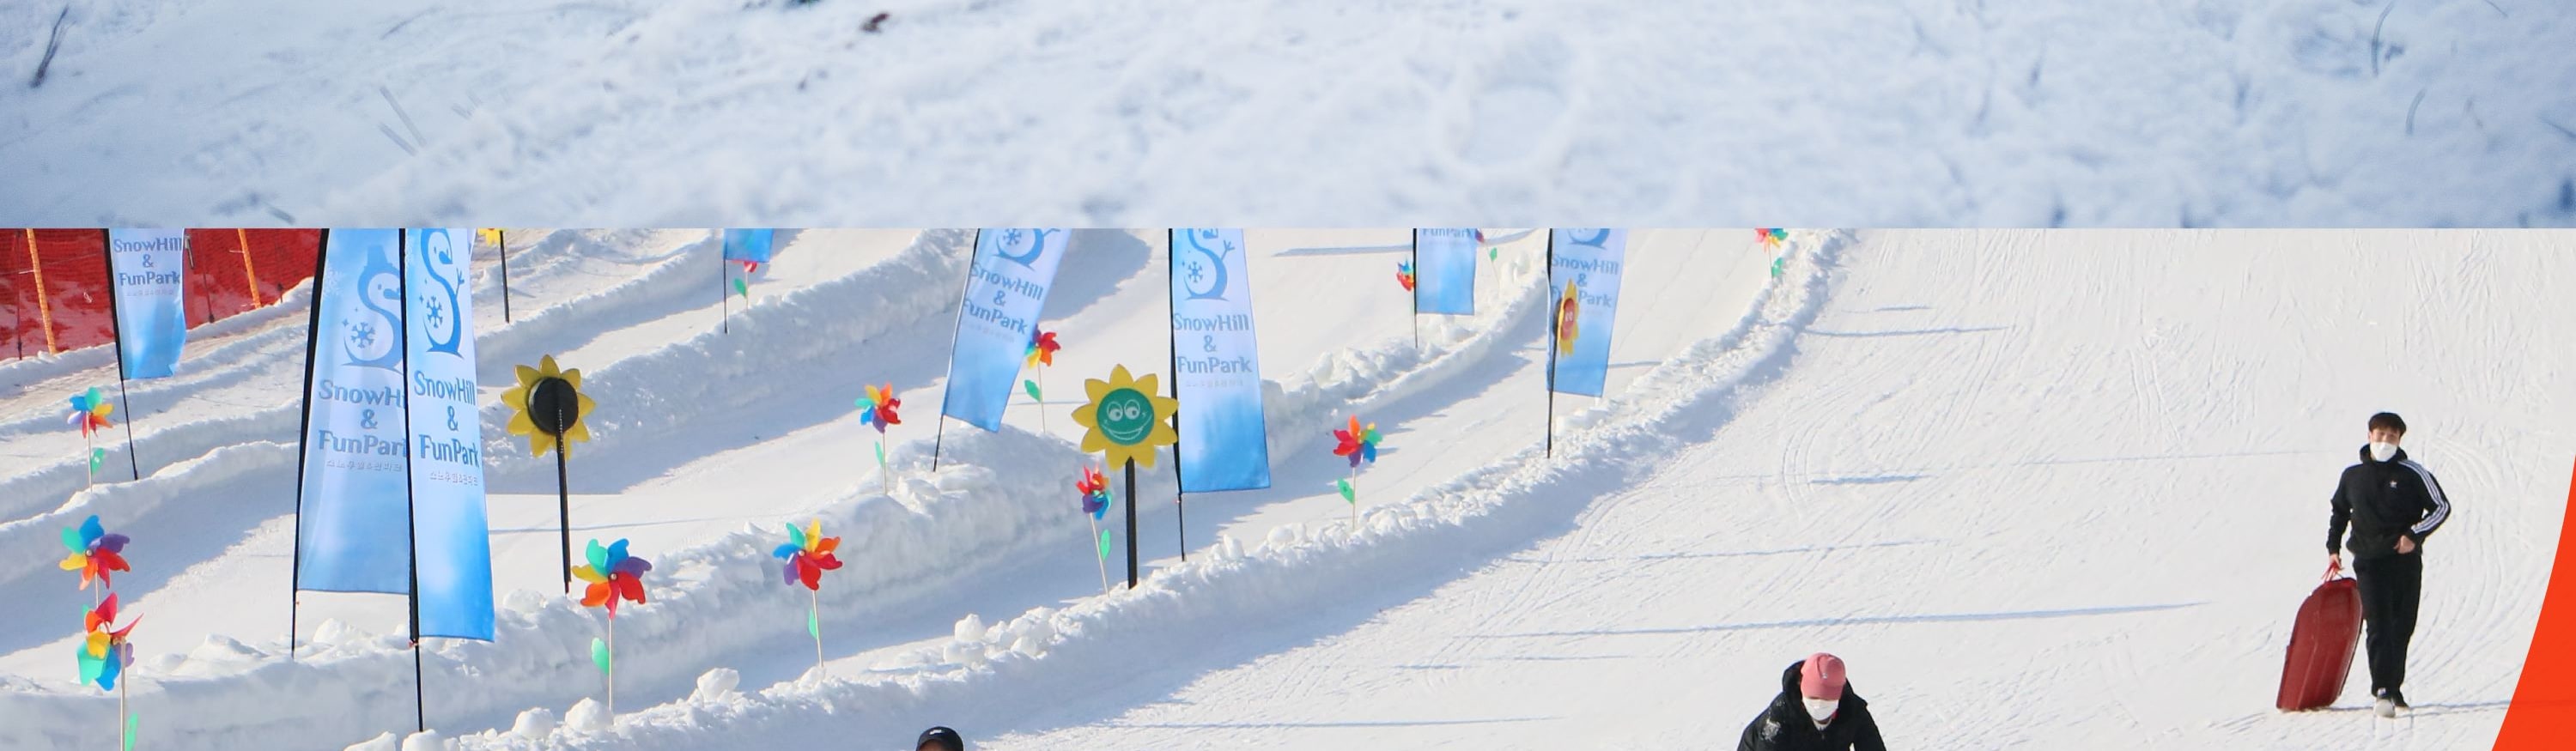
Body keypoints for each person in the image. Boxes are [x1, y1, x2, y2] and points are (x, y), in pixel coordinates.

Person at [2326, 412, 2451, 718]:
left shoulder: (2413, 473)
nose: (2385, 442)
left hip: (2405, 561)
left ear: (2399, 440)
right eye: (2380, 435)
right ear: (2369, 435)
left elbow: (2441, 507)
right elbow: (2339, 512)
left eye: (2391, 437)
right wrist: (2333, 549)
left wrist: (2413, 534)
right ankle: (2381, 689)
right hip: (2368, 561)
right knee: (2378, 624)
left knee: (2402, 625)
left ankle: (2395, 688)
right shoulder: (2352, 475)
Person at [1737, 652, 1886, 751]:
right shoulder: (1780, 716)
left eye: (1827, 700)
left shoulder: (1854, 712)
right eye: (1812, 698)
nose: (1819, 706)